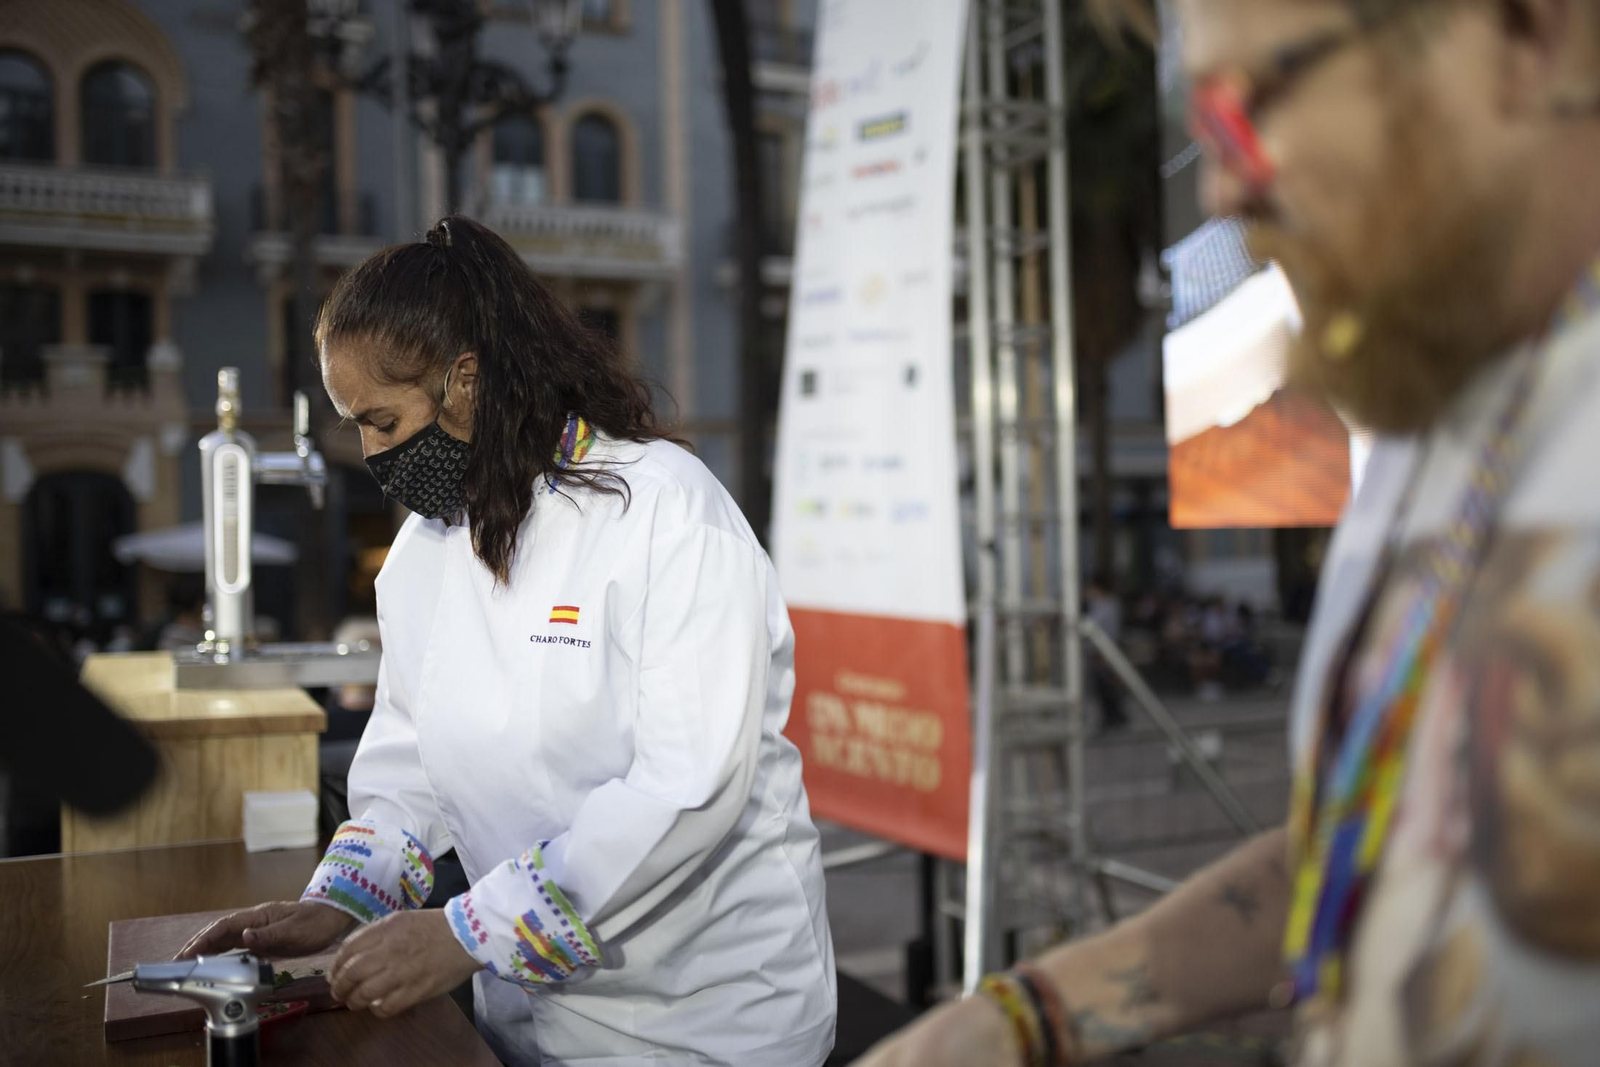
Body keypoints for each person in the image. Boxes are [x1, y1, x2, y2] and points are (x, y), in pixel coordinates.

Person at [854, 0, 1600, 1064]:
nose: (1219, 186)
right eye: (1200, 125)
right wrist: (1031, 1014)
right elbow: (1381, 836)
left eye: (1247, 104)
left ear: (1523, 37)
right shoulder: (1439, 404)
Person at [179, 216, 837, 1066]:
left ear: (465, 382)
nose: (372, 453)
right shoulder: (423, 553)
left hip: (709, 1017)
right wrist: (346, 900)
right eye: (357, 427)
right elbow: (411, 759)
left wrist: (466, 930)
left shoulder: (668, 513)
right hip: (524, 1006)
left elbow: (685, 790)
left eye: (382, 420)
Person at [1084, 573, 1128, 731]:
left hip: (1106, 650)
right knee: (1102, 686)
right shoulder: (1098, 605)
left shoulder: (1108, 606)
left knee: (1108, 684)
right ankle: (1112, 716)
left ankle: (1114, 717)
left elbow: (1095, 625)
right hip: (1098, 651)